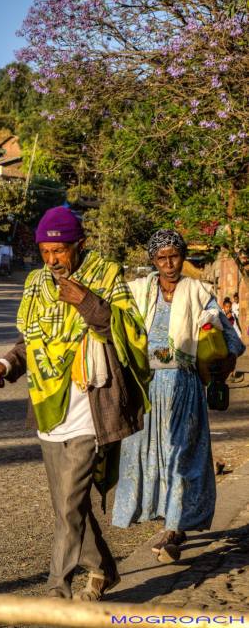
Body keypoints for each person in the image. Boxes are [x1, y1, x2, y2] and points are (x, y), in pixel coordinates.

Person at [0, 207, 151, 601]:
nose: (53, 260)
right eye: (45, 251)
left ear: (81, 245)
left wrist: (88, 302)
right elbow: (31, 341)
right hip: (48, 406)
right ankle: (104, 569)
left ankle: (58, 586)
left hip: (92, 407)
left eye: (61, 251)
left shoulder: (105, 276)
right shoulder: (36, 283)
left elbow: (133, 335)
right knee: (66, 506)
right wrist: (5, 365)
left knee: (70, 502)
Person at [112, 230, 245, 563]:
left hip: (184, 387)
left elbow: (232, 339)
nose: (169, 264)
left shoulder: (198, 293)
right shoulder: (139, 292)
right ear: (153, 261)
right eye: (162, 258)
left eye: (175, 256)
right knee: (150, 456)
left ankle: (173, 529)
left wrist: (220, 367)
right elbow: (116, 326)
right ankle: (169, 522)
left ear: (183, 257)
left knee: (181, 457)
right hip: (147, 388)